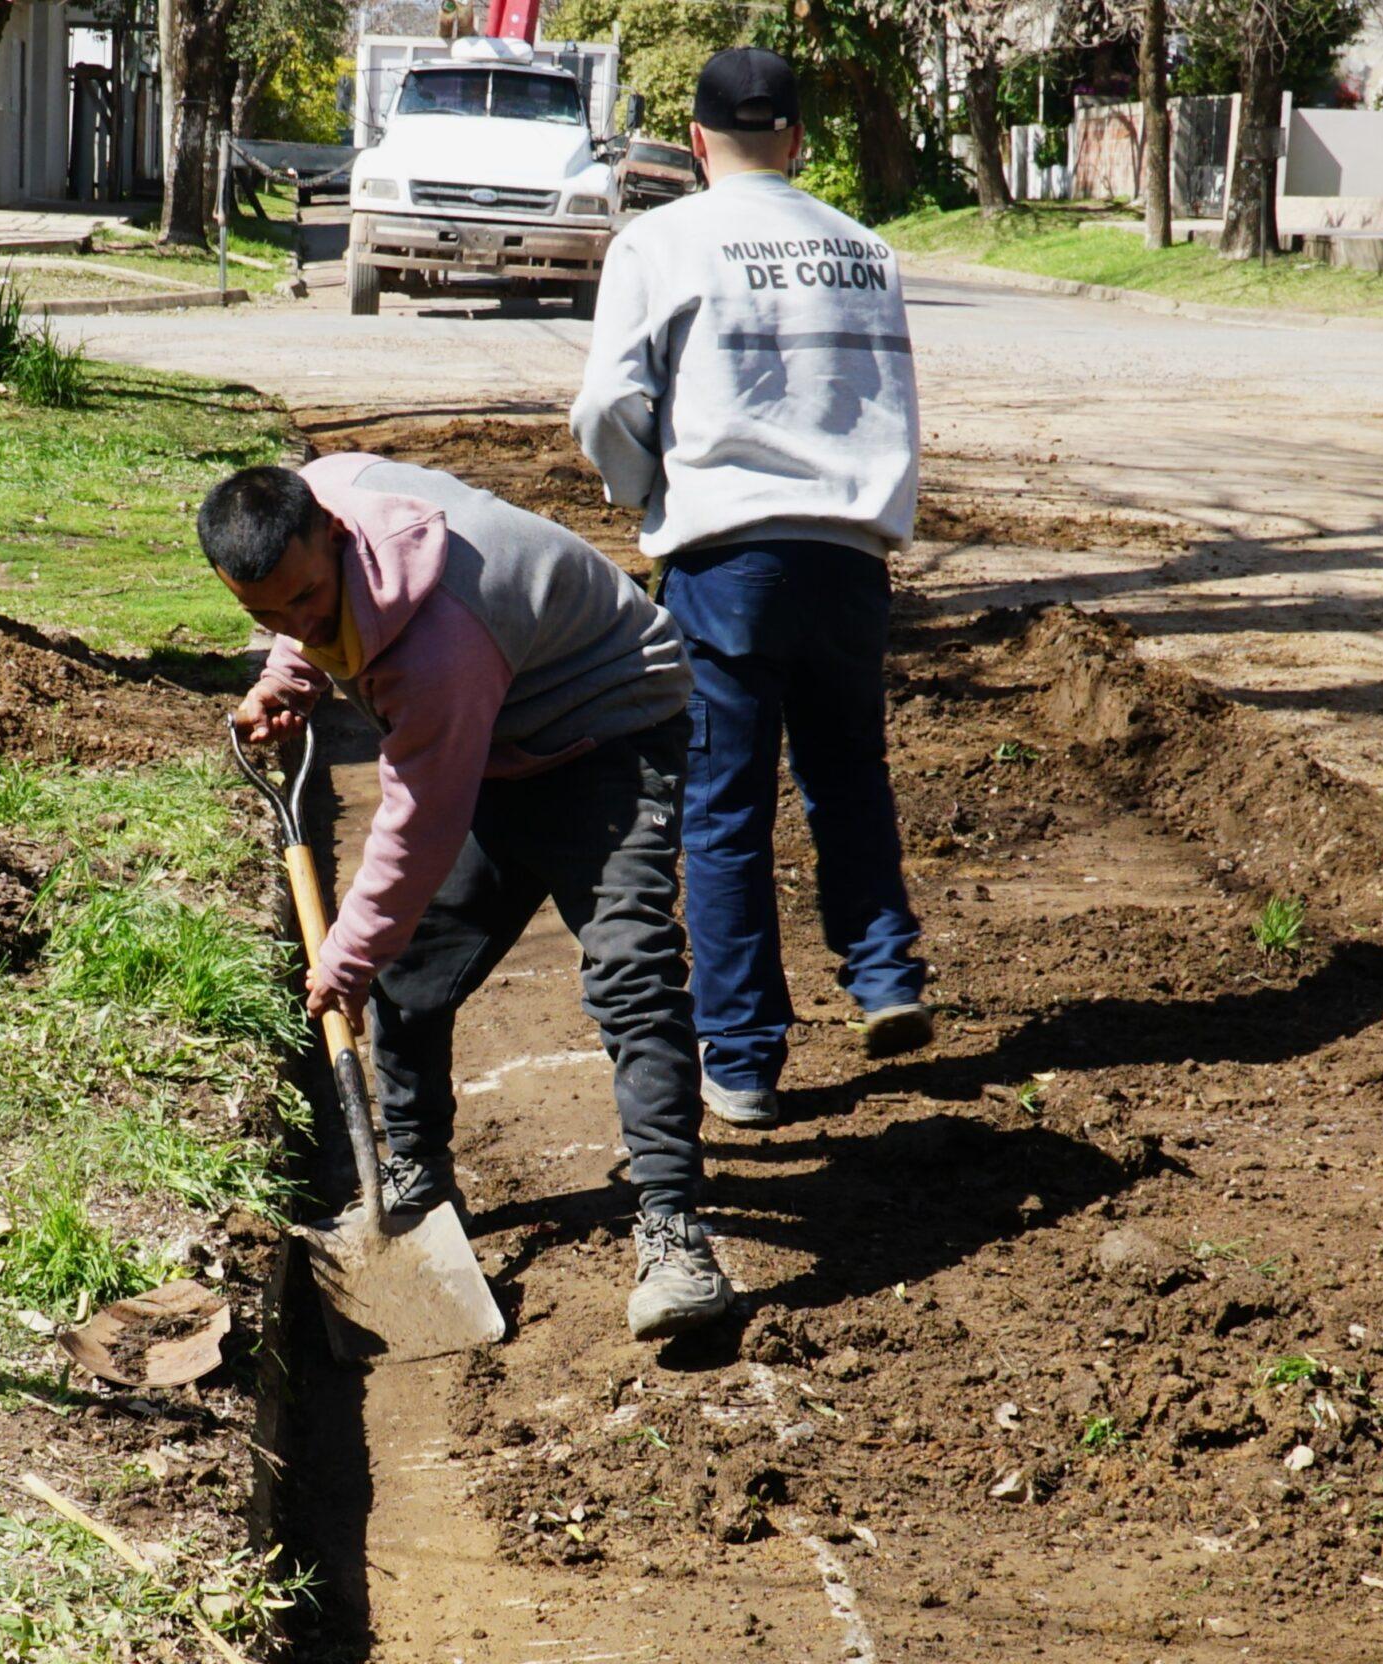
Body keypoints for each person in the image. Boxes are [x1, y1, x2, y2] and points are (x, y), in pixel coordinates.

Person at [203, 456, 732, 1340]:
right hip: (497, 731)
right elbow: (308, 619)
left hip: (607, 727)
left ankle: (676, 1233)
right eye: (265, 615)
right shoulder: (314, 500)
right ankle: (412, 1175)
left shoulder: (440, 642)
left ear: (334, 536)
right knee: (410, 965)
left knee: (631, 970)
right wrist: (285, 676)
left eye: (305, 599)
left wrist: (345, 956)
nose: (295, 621)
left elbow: (419, 826)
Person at [570, 46, 930, 1131]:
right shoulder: (864, 250)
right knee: (847, 775)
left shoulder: (660, 241)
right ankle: (883, 976)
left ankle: (742, 1059)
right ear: (801, 141)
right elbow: (892, 399)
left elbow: (606, 408)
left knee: (723, 810)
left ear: (693, 140)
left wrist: (645, 496)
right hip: (849, 553)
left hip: (725, 558)